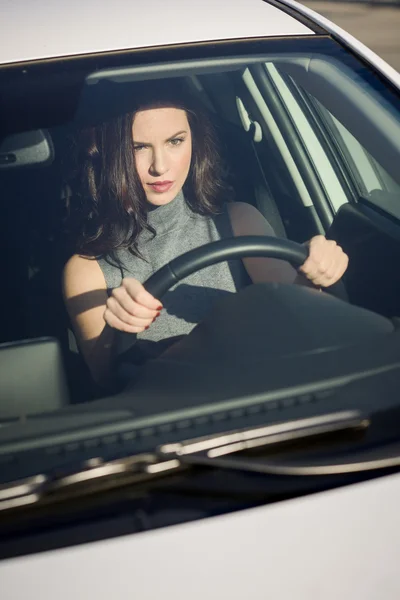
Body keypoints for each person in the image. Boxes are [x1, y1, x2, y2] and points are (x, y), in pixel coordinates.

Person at [63, 81, 349, 388]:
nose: (160, 167)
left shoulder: (240, 220)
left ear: (194, 141)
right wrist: (118, 329)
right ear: (107, 151)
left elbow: (298, 316)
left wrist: (316, 272)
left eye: (175, 141)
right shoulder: (86, 270)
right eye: (139, 147)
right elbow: (109, 388)